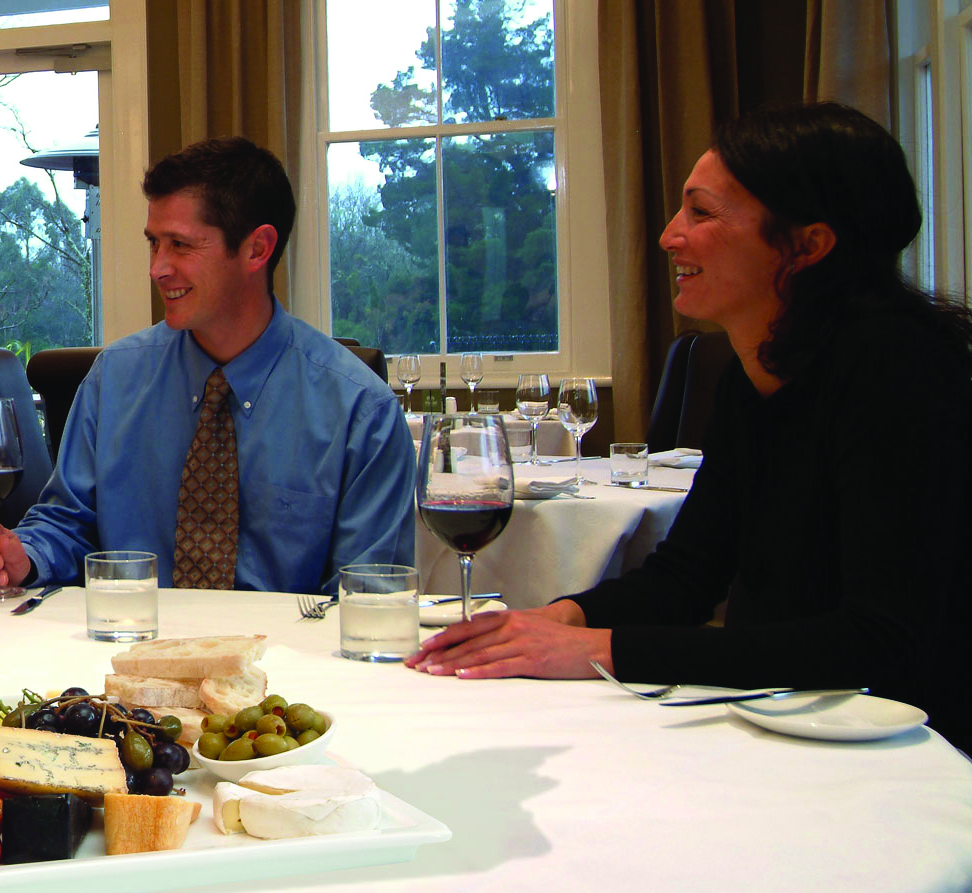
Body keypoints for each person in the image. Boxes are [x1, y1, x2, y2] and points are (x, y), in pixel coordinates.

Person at [408, 103, 967, 745]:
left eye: (701, 213)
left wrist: (599, 651)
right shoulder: (753, 373)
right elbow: (687, 577)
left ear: (808, 245)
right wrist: (558, 620)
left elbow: (876, 640)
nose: (671, 235)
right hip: (791, 725)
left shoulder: (895, 370)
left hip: (905, 750)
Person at [0, 136, 415, 594]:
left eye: (181, 245)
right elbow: (67, 524)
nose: (158, 269)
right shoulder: (114, 381)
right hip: (128, 650)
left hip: (286, 661)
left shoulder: (362, 413)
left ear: (257, 249)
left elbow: (370, 598)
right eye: (154, 244)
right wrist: (22, 555)